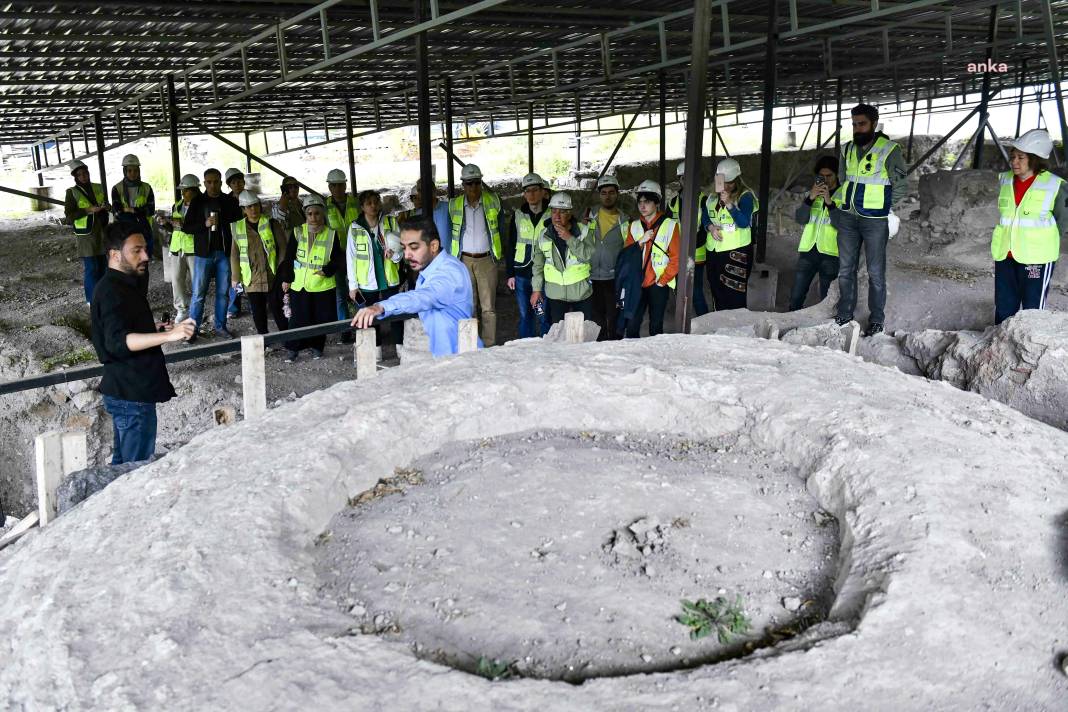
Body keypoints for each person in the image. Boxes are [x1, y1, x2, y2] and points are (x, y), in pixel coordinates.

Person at [90, 222, 194, 464]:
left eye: (145, 249)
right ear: (115, 255)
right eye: (136, 250)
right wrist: (169, 336)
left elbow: (121, 329)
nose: (146, 256)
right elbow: (117, 342)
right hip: (131, 395)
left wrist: (153, 329)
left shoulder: (123, 284)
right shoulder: (111, 291)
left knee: (122, 468)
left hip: (129, 392)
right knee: (133, 471)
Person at [832, 103, 907, 336]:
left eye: (861, 123)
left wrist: (883, 206)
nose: (857, 128)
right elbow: (843, 180)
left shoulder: (889, 149)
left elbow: (900, 185)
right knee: (845, 269)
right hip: (848, 217)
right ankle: (845, 314)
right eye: (854, 124)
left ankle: (876, 319)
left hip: (874, 220)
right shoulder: (847, 149)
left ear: (874, 123)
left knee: (875, 272)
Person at [351, 218, 475, 357]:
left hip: (458, 361)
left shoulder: (449, 271)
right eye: (404, 248)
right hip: (446, 356)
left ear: (433, 246)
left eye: (414, 247)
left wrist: (381, 306)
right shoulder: (433, 268)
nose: (407, 255)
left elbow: (424, 296)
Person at [991, 129, 1068, 325]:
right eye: (1013, 157)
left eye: (1020, 158)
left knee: (1033, 309)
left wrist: (1039, 242)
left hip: (1036, 258)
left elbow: (1061, 222)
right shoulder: (1005, 180)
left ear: (1034, 159)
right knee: (1004, 307)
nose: (1014, 162)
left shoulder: (1055, 186)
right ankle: (1000, 348)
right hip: (1005, 254)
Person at [277, 194, 343, 362]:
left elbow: (338, 259)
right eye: (310, 213)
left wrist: (327, 270)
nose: (313, 217)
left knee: (319, 319)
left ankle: (317, 348)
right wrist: (286, 278)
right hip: (300, 284)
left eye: (317, 213)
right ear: (305, 215)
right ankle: (293, 349)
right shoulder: (298, 231)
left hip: (322, 286)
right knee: (298, 319)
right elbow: (289, 256)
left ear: (323, 214)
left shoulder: (331, 234)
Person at [448, 163, 503, 346]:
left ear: (481, 182)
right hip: (463, 260)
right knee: (468, 306)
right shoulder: (454, 205)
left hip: (487, 260)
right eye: (469, 183)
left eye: (477, 182)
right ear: (463, 185)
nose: (473, 187)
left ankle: (489, 345)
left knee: (488, 308)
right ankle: (471, 344)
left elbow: (501, 230)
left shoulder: (493, 201)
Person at [186, 168, 241, 340]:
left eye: (216, 181)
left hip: (224, 253)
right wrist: (205, 223)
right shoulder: (198, 202)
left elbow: (238, 224)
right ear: (204, 183)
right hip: (204, 254)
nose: (212, 185)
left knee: (223, 293)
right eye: (209, 182)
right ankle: (192, 331)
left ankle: (220, 327)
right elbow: (187, 227)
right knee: (198, 294)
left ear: (221, 182)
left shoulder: (229, 201)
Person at [346, 189, 403, 347]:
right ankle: (374, 350)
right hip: (367, 282)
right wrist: (353, 286)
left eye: (376, 202)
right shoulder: (355, 227)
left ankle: (400, 347)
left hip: (388, 278)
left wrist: (394, 256)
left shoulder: (390, 222)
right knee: (369, 317)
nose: (374, 206)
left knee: (395, 313)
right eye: (369, 203)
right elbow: (350, 258)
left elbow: (401, 248)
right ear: (362, 207)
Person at [624, 180, 680, 337]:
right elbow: (627, 256)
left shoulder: (670, 225)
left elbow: (676, 257)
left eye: (647, 202)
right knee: (632, 325)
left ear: (656, 203)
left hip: (658, 283)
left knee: (656, 325)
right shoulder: (633, 226)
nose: (642, 206)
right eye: (640, 202)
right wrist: (640, 241)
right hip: (637, 283)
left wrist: (663, 280)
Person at [230, 190, 289, 336]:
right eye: (249, 207)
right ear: (243, 209)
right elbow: (234, 254)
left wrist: (282, 272)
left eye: (255, 205)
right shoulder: (238, 228)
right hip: (252, 278)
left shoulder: (271, 223)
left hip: (272, 276)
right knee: (258, 312)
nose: (253, 209)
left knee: (278, 309)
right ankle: (263, 340)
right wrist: (235, 277)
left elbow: (283, 247)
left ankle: (288, 340)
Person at [702, 158, 758, 311]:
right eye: (722, 181)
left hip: (736, 252)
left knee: (734, 293)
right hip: (714, 251)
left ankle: (736, 328)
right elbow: (706, 216)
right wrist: (710, 227)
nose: (725, 185)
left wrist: (729, 205)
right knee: (716, 289)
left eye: (729, 182)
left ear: (736, 180)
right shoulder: (712, 197)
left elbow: (744, 222)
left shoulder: (745, 196)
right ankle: (720, 326)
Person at [531, 192, 594, 325]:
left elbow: (588, 255)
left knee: (583, 335)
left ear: (570, 213)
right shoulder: (543, 235)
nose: (557, 216)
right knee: (559, 337)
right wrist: (536, 290)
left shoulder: (583, 231)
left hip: (581, 294)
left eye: (562, 212)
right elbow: (537, 265)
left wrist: (570, 239)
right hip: (555, 295)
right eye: (554, 211)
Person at [789, 156, 842, 311]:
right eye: (821, 176)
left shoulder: (843, 194)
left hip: (831, 253)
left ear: (837, 175)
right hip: (808, 251)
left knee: (825, 300)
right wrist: (810, 199)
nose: (825, 180)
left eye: (829, 176)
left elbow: (840, 224)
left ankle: (823, 328)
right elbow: (800, 219)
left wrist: (829, 202)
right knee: (796, 295)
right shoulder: (813, 195)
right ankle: (791, 323)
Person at [504, 173, 552, 338]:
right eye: (527, 191)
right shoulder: (518, 215)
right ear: (524, 194)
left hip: (544, 274)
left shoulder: (552, 214)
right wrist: (510, 274)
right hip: (522, 275)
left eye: (535, 190)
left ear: (542, 191)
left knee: (543, 315)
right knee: (526, 316)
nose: (531, 194)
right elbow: (510, 245)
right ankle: (527, 350)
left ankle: (547, 349)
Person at [586, 174, 628, 340]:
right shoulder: (589, 214)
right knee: (597, 316)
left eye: (611, 192)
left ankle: (615, 344)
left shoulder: (624, 220)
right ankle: (600, 346)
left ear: (617, 194)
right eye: (603, 193)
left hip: (613, 276)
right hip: (592, 275)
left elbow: (627, 248)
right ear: (599, 195)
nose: (608, 196)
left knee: (614, 314)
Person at [63, 159, 109, 306]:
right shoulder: (72, 193)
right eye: (80, 174)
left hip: (102, 230)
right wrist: (88, 210)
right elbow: (69, 217)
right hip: (86, 235)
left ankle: (103, 296)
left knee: (103, 266)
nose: (84, 176)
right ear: (75, 177)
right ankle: (91, 299)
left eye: (85, 173)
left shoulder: (98, 187)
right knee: (92, 267)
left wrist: (106, 206)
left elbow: (106, 204)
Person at [669, 163, 709, 316]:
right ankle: (683, 322)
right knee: (679, 290)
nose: (688, 181)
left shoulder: (704, 200)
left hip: (696, 254)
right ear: (680, 180)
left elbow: (706, 228)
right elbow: (668, 227)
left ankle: (703, 321)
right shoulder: (673, 202)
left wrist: (689, 246)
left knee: (695, 290)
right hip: (678, 254)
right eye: (684, 178)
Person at [326, 168, 361, 331]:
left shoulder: (356, 202)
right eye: (334, 186)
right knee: (340, 293)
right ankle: (344, 329)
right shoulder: (325, 207)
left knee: (359, 289)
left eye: (340, 185)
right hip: (338, 255)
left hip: (357, 253)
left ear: (345, 185)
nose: (338, 189)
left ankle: (363, 323)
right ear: (329, 187)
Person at [164, 173, 201, 324]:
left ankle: (196, 310)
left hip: (194, 249)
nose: (183, 193)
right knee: (177, 281)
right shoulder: (177, 205)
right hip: (177, 248)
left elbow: (201, 227)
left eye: (186, 190)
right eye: (182, 191)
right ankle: (182, 309)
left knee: (196, 282)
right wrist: (165, 223)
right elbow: (174, 229)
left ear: (194, 190)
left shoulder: (201, 206)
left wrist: (183, 225)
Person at [110, 153, 157, 259]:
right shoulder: (117, 189)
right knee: (127, 263)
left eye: (135, 170)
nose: (133, 173)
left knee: (143, 263)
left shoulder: (146, 187)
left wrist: (132, 210)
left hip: (144, 231)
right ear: (125, 171)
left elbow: (151, 210)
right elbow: (117, 211)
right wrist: (140, 212)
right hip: (124, 232)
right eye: (129, 170)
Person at [224, 168, 247, 318]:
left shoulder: (251, 198)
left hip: (249, 241)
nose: (237, 184)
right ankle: (234, 306)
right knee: (235, 274)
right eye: (233, 182)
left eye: (239, 181)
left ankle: (253, 302)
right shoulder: (225, 201)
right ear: (229, 185)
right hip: (233, 241)